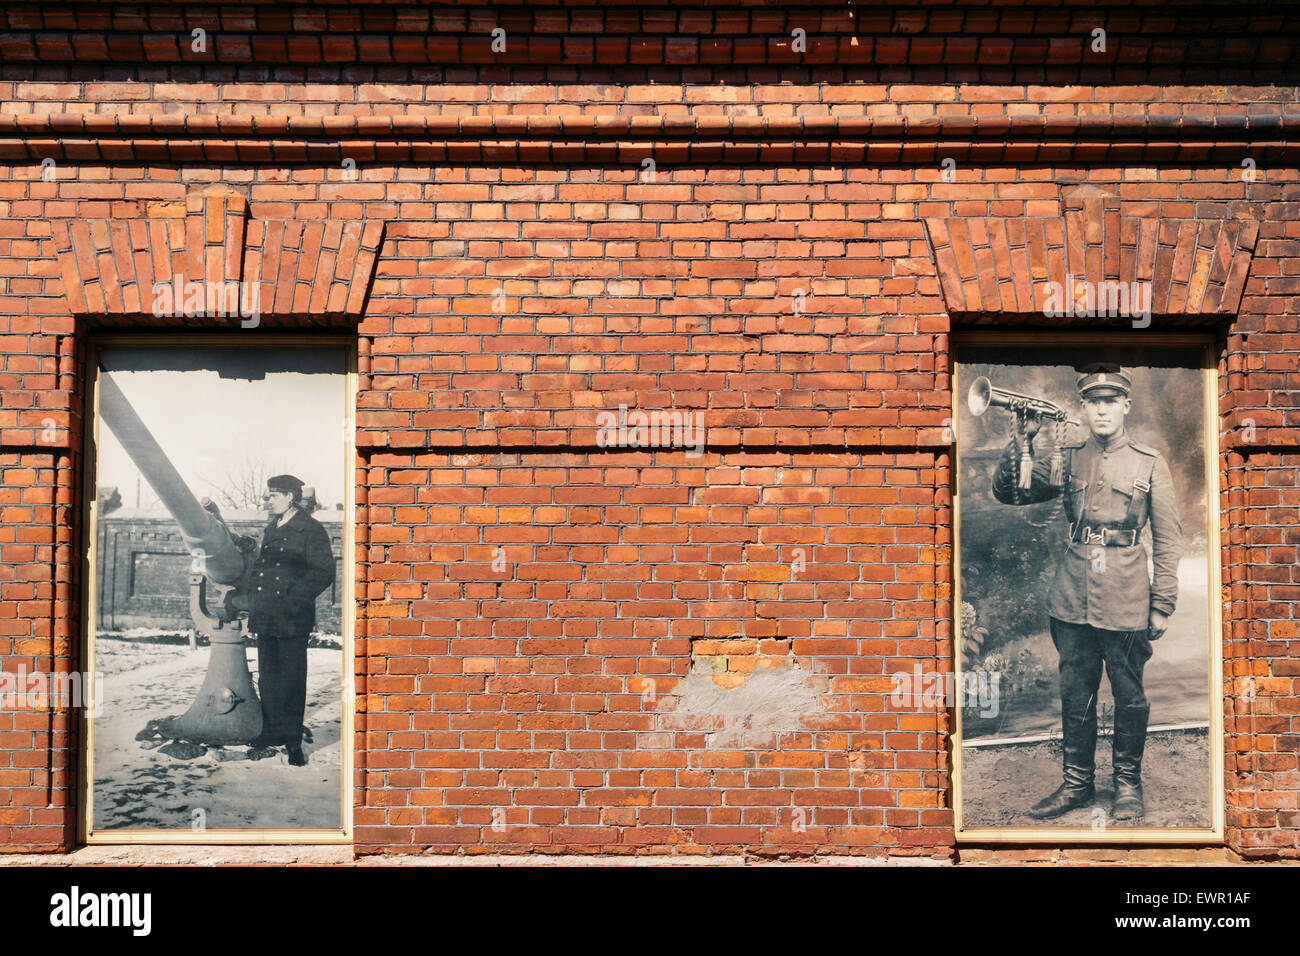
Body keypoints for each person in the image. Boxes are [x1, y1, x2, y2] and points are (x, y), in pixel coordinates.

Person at [990, 363, 1181, 822]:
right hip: (1072, 596)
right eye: (1093, 402)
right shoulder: (1068, 454)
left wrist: (1162, 603)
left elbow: (1169, 537)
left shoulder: (1149, 461)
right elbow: (1011, 494)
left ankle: (1128, 787)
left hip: (1127, 595)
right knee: (1076, 692)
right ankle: (1077, 785)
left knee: (1129, 695)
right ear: (1083, 407)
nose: (1101, 410)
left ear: (1125, 407)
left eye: (1110, 401)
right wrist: (1024, 438)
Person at [231, 474, 335, 766]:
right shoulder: (271, 527)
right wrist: (252, 602)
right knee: (269, 678)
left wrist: (291, 599)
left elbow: (323, 572)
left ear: (290, 497)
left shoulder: (310, 529)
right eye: (268, 496)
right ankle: (270, 732)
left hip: (291, 618)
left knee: (291, 680)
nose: (268, 500)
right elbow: (261, 572)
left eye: (273, 496)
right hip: (267, 617)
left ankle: (292, 742)